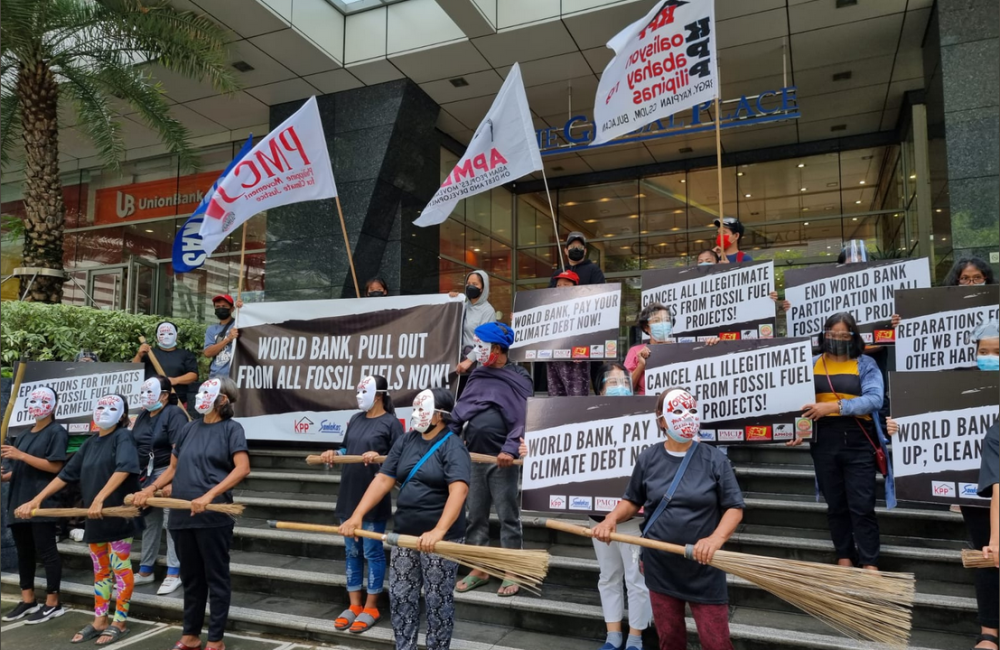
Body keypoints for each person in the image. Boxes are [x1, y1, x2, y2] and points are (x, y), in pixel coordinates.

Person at [593, 387, 744, 650]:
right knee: (670, 640)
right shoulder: (649, 457)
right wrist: (611, 519)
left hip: (703, 568)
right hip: (661, 567)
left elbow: (734, 507)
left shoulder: (715, 459)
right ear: (661, 420)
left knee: (716, 641)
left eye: (692, 410)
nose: (687, 416)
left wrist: (715, 539)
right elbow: (632, 500)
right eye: (677, 411)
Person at [888, 320, 999, 650]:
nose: (989, 357)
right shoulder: (957, 384)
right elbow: (929, 420)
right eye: (984, 351)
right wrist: (900, 426)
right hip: (976, 488)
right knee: (988, 554)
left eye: (997, 352)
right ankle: (989, 631)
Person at [340, 388, 471, 650]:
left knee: (437, 601)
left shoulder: (452, 445)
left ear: (439, 416)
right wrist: (357, 516)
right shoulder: (407, 440)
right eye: (414, 409)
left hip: (440, 541)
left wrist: (439, 530)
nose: (415, 415)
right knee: (401, 598)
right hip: (405, 535)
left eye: (421, 410)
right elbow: (383, 479)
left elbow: (459, 490)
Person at [132, 377, 249, 650]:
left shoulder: (233, 429)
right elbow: (172, 469)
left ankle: (216, 640)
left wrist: (209, 495)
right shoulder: (187, 429)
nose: (201, 397)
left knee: (216, 578)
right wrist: (150, 489)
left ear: (223, 400)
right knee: (192, 579)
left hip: (213, 515)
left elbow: (242, 468)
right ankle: (190, 636)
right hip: (182, 514)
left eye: (209, 393)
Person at [15, 393, 141, 645]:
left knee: (120, 568)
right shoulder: (91, 442)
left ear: (123, 414)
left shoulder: (123, 436)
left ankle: (120, 621)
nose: (104, 410)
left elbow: (125, 467)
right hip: (94, 517)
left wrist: (101, 498)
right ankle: (100, 620)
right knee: (100, 571)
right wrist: (37, 499)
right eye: (100, 406)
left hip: (117, 516)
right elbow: (65, 474)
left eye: (111, 407)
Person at [788, 312, 893, 570]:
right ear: (824, 335)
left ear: (854, 337)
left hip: (859, 439)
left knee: (862, 503)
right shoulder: (809, 363)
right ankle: (844, 556)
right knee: (835, 503)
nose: (836, 338)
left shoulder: (866, 364)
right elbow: (792, 401)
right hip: (823, 440)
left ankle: (869, 561)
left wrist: (834, 406)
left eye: (843, 334)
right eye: (831, 334)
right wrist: (791, 429)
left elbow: (874, 400)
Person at [451, 322, 532, 597]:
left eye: (481, 346)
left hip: (502, 460)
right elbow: (461, 410)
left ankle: (511, 568)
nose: (476, 351)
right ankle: (480, 567)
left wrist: (509, 449)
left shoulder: (519, 377)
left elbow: (522, 419)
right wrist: (449, 441)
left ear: (497, 349)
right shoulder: (477, 375)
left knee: (508, 515)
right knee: (475, 515)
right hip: (473, 456)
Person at [319, 375, 403, 634]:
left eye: (362, 391)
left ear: (378, 395)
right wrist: (335, 453)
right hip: (348, 496)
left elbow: (400, 459)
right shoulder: (355, 419)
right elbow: (347, 449)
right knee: (352, 552)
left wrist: (379, 457)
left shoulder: (391, 423)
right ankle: (354, 605)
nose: (357, 395)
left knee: (372, 552)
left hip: (374, 500)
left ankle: (372, 606)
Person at [590, 363, 651, 650]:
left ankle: (636, 638)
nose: (619, 385)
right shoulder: (585, 420)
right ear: (598, 389)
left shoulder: (647, 419)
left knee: (636, 578)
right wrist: (536, 450)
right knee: (609, 575)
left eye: (622, 380)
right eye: (611, 381)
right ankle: (613, 636)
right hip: (598, 518)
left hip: (635, 520)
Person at [1, 386, 67, 624]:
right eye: (33, 401)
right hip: (19, 500)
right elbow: (22, 468)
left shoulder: (57, 431)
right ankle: (28, 599)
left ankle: (53, 602)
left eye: (42, 401)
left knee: (47, 552)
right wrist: (6, 476)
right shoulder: (25, 434)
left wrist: (21, 456)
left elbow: (55, 467)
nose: (36, 405)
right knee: (24, 552)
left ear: (53, 405)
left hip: (42, 502)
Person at [130, 376, 188, 595]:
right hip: (145, 472)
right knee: (148, 520)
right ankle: (146, 569)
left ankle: (174, 571)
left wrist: (174, 479)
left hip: (167, 469)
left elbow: (180, 450)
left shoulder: (174, 414)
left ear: (164, 395)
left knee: (169, 519)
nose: (145, 397)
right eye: (142, 392)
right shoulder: (144, 414)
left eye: (150, 392)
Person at [547, 232, 606, 397]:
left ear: (585, 251)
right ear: (565, 251)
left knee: (589, 381)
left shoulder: (594, 270)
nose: (576, 249)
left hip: (585, 336)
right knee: (556, 388)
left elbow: (601, 303)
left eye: (579, 246)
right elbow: (547, 303)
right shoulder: (557, 273)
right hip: (559, 342)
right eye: (572, 246)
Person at [624, 304, 719, 396]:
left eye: (666, 320)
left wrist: (713, 346)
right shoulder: (636, 351)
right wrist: (641, 366)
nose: (662, 325)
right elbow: (626, 389)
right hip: (648, 406)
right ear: (646, 327)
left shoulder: (683, 349)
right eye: (656, 321)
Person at [133, 321, 199, 412]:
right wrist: (139, 355)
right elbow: (134, 372)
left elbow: (193, 375)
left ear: (176, 336)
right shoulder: (149, 353)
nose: (166, 336)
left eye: (170, 333)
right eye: (162, 333)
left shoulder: (186, 354)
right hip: (150, 403)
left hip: (177, 402)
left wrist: (175, 380)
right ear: (157, 337)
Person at [449, 270, 497, 375]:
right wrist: (451, 300)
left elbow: (486, 341)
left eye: (475, 284)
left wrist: (469, 360)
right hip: (457, 363)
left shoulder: (488, 311)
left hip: (475, 367)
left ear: (482, 288)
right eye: (468, 284)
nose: (470, 287)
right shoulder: (463, 306)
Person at [203, 294, 243, 380]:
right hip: (215, 377)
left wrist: (242, 308)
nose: (220, 308)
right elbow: (207, 353)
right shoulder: (211, 329)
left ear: (232, 309)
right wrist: (228, 339)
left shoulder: (239, 324)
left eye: (224, 306)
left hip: (235, 377)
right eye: (217, 306)